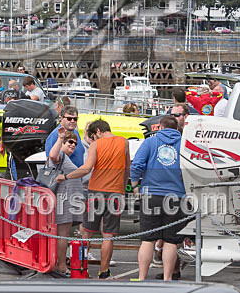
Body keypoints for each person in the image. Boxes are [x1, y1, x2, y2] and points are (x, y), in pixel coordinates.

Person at [57, 120, 129, 279]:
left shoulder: (96, 145)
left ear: (98, 131)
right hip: (115, 194)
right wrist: (122, 189)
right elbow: (127, 169)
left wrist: (66, 176)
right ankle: (104, 272)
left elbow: (87, 168)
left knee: (87, 233)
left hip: (95, 192)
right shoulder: (124, 142)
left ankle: (81, 269)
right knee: (108, 236)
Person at [131, 111, 187, 282]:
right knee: (171, 241)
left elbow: (137, 165)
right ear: (177, 128)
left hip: (151, 195)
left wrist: (135, 187)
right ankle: (168, 278)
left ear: (160, 127)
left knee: (148, 240)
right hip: (176, 197)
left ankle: (141, 278)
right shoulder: (184, 144)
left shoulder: (150, 141)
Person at [48, 128, 84, 275]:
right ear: (62, 142)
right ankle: (61, 265)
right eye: (70, 141)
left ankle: (58, 263)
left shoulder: (66, 157)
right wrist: (60, 137)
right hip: (64, 200)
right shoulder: (61, 155)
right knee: (63, 234)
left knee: (63, 234)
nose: (73, 145)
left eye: (75, 143)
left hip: (67, 200)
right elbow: (52, 155)